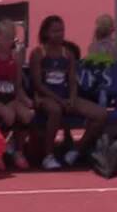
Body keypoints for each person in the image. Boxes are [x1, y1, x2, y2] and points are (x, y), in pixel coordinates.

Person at [30, 15, 106, 170]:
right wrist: (59, 100)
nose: (59, 34)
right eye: (55, 31)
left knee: (101, 114)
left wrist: (71, 98)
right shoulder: (38, 53)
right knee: (55, 111)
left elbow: (72, 80)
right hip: (45, 97)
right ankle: (48, 155)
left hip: (65, 96)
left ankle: (76, 150)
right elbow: (38, 84)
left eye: (62, 30)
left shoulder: (68, 53)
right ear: (45, 32)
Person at [0, 18, 33, 170]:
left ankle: (18, 151)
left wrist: (26, 101)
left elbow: (18, 86)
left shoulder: (15, 58)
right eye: (7, 37)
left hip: (9, 98)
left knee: (27, 115)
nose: (11, 41)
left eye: (13, 37)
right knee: (8, 115)